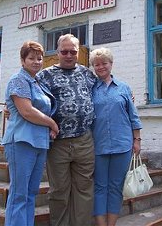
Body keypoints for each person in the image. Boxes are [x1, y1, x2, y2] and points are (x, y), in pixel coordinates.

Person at [37, 33, 97, 226]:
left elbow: (103, 90)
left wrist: (126, 92)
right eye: (65, 51)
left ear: (78, 52)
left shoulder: (87, 73)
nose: (69, 55)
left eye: (73, 51)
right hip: (58, 143)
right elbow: (27, 96)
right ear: (57, 52)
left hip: (84, 140)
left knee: (84, 188)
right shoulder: (44, 75)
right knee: (59, 190)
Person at [2, 41, 59, 226]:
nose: (36, 62)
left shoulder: (38, 82)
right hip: (21, 141)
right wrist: (52, 124)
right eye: (31, 58)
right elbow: (27, 111)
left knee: (31, 193)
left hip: (39, 143)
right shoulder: (18, 80)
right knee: (19, 194)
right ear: (22, 60)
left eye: (39, 58)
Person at [89, 47, 142, 226]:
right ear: (93, 67)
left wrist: (137, 140)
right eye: (97, 64)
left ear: (111, 64)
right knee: (99, 186)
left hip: (122, 145)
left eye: (104, 63)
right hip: (98, 145)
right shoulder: (90, 89)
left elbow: (133, 116)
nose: (101, 67)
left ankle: (111, 224)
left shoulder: (124, 88)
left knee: (116, 187)